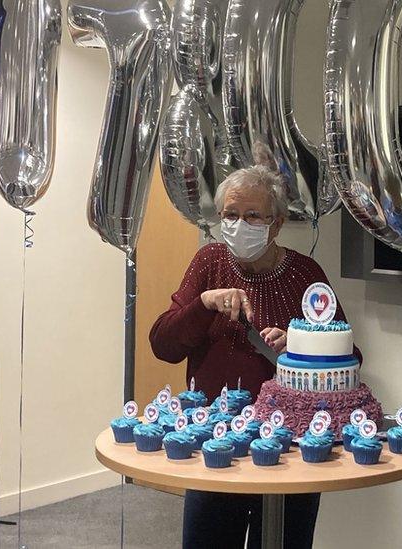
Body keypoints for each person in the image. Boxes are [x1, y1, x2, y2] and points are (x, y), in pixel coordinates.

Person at [150, 165, 358, 549]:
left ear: (276, 224)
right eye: (230, 215)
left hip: (288, 449)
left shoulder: (304, 274)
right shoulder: (208, 263)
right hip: (214, 443)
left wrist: (298, 346)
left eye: (251, 216)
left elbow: (346, 359)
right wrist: (203, 304)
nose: (238, 224)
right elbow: (163, 345)